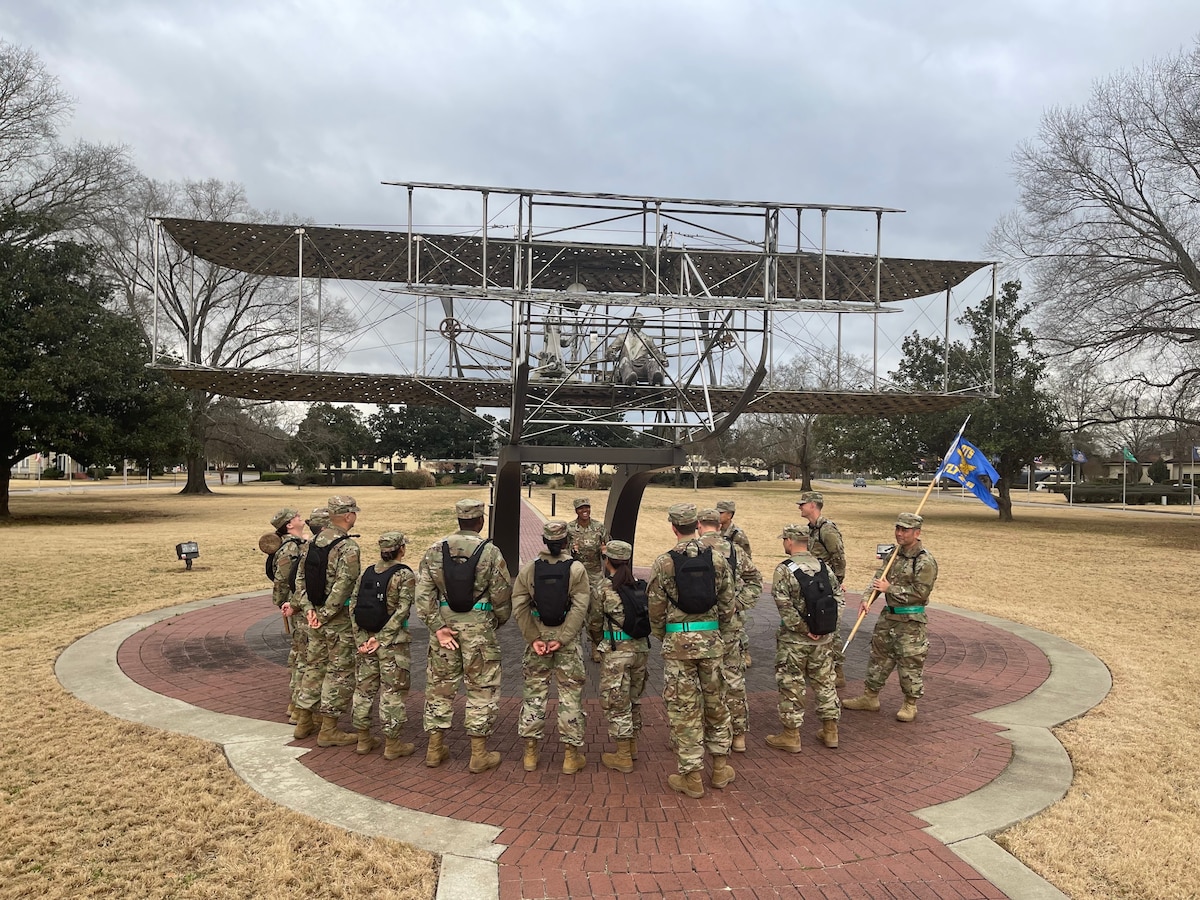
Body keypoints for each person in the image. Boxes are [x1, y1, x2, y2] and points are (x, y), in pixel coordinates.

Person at [415, 498, 513, 772]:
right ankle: (478, 754)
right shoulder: (490, 552)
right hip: (479, 628)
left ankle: (434, 749)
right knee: (482, 689)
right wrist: (494, 622)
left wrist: (438, 626)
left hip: (444, 629)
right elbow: (502, 596)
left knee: (439, 689)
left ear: (459, 520)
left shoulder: (435, 549)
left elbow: (423, 596)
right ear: (480, 521)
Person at [648, 502, 736, 799]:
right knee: (717, 704)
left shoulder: (664, 563)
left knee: (684, 711)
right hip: (712, 643)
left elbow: (655, 611)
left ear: (674, 527)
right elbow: (728, 605)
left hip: (678, 644)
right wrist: (717, 634)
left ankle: (692, 776)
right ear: (697, 525)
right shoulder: (718, 559)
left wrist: (665, 636)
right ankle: (721, 768)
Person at [512, 521, 592, 774]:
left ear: (545, 542)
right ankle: (570, 757)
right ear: (567, 541)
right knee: (570, 697)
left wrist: (533, 637)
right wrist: (565, 638)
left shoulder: (529, 569)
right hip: (566, 643)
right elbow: (580, 608)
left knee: (534, 696)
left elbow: (519, 605)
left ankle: (530, 755)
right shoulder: (577, 569)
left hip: (537, 640)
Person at [843, 512, 938, 723]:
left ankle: (910, 704)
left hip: (910, 621)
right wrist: (868, 598)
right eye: (898, 529)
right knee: (879, 658)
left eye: (905, 530)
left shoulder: (924, 560)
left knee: (909, 662)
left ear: (917, 532)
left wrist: (890, 589)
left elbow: (920, 593)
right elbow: (879, 579)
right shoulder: (894, 554)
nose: (899, 534)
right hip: (889, 618)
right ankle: (870, 697)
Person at [292, 496, 362, 747]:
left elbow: (299, 581)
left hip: (314, 619)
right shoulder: (348, 548)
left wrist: (310, 610)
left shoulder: (312, 543)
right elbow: (344, 586)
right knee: (339, 671)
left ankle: (303, 721)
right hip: (337, 620)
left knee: (314, 666)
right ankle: (329, 729)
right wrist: (324, 615)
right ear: (348, 516)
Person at [766, 523, 842, 752]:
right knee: (825, 683)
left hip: (794, 642)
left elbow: (784, 606)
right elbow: (838, 599)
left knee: (792, 684)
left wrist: (802, 628)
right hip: (823, 640)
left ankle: (791, 735)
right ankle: (830, 732)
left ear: (790, 541)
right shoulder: (824, 567)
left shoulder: (784, 570)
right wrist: (827, 628)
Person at [696, 508, 762, 754]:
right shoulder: (735, 550)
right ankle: (738, 734)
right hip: (730, 626)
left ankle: (703, 733)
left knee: (701, 680)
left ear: (700, 525)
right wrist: (739, 603)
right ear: (718, 524)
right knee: (733, 678)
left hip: (700, 627)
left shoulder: (691, 550)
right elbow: (756, 580)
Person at [349, 531, 417, 759]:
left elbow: (353, 607)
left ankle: (363, 739)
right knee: (392, 692)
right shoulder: (404, 575)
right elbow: (403, 610)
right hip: (392, 645)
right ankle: (392, 744)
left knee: (364, 690)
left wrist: (361, 639)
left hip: (365, 643)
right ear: (401, 549)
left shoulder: (366, 573)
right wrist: (382, 638)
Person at [586, 539, 650, 773]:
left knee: (616, 702)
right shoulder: (641, 585)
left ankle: (622, 754)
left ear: (607, 561)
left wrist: (597, 641)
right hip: (641, 649)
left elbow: (593, 622)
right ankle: (632, 746)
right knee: (634, 699)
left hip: (617, 653)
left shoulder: (604, 588)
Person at [797, 490, 848, 686]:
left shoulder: (827, 530)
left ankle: (838, 672)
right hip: (814, 587)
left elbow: (839, 558)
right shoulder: (810, 529)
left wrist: (835, 583)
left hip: (825, 588)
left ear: (812, 505)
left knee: (830, 629)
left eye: (802, 504)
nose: (799, 507)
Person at [268, 507, 306, 723]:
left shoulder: (297, 544)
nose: (302, 519)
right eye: (297, 517)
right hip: (297, 608)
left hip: (297, 606)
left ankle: (296, 703)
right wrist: (286, 603)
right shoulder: (290, 549)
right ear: (289, 525)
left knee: (300, 655)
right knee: (302, 656)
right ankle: (299, 707)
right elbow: (282, 580)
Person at [568, 497, 608, 663]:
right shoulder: (570, 529)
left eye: (587, 508)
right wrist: (572, 550)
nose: (585, 511)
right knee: (576, 612)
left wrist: (604, 551)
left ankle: (595, 647)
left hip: (595, 575)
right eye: (581, 508)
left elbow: (607, 550)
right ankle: (574, 649)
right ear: (576, 510)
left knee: (596, 612)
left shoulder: (599, 527)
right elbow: (562, 553)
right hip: (576, 576)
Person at [716, 499, 753, 667]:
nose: (718, 515)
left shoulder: (737, 535)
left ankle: (744, 652)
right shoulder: (715, 532)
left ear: (729, 515)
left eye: (721, 512)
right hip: (721, 582)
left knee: (737, 622)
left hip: (734, 583)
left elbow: (746, 560)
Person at [606, 315, 665, 386]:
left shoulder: (648, 339)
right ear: (629, 323)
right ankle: (630, 378)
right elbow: (610, 349)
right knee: (625, 361)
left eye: (639, 322)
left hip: (642, 366)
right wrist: (611, 354)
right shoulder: (622, 337)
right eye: (634, 322)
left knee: (653, 362)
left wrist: (662, 359)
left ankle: (656, 378)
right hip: (628, 365)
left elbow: (656, 353)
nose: (636, 325)